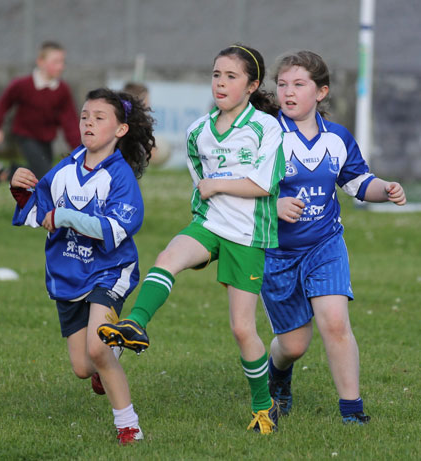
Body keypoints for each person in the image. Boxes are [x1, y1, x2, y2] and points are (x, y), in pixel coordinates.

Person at [98, 44, 286, 434]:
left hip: (248, 235)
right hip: (210, 224)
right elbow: (200, 184)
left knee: (242, 328)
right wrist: (208, 196)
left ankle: (263, 407)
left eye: (231, 77)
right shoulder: (197, 130)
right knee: (168, 255)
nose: (220, 82)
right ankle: (134, 324)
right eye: (216, 74)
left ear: (251, 86)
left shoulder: (266, 128)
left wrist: (217, 185)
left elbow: (264, 185)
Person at [259, 50, 406, 425]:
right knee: (293, 345)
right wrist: (272, 204)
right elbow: (244, 190)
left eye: (299, 84)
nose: (288, 92)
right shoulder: (264, 136)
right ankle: (278, 375)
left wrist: (384, 188)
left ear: (321, 92)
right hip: (276, 252)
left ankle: (352, 412)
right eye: (283, 85)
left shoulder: (337, 138)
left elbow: (358, 183)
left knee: (336, 323)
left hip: (324, 245)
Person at [9, 87, 155, 445]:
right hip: (70, 272)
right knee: (82, 366)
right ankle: (113, 347)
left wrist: (68, 216)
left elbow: (116, 228)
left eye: (99, 118)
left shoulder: (119, 176)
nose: (88, 122)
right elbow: (40, 211)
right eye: (85, 116)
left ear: (121, 130)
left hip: (109, 269)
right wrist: (21, 190)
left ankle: (129, 427)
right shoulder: (66, 167)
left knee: (97, 350)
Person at [0, 41, 80, 189]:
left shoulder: (62, 90)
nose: (61, 66)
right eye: (56, 62)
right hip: (25, 135)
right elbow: (4, 103)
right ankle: (42, 208)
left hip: (47, 138)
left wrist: (79, 147)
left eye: (62, 61)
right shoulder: (23, 85)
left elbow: (70, 121)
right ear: (41, 62)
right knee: (46, 174)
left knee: (39, 173)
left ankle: (5, 173)